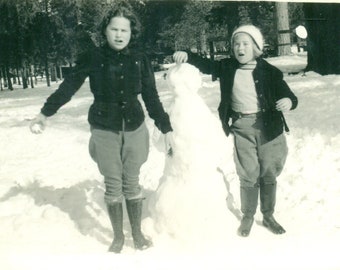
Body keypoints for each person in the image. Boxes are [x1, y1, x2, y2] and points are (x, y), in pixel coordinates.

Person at [30, 5, 172, 252]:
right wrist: (45, 113)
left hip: (134, 126)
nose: (119, 35)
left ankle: (137, 235)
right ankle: (118, 237)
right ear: (105, 31)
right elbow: (68, 87)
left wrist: (166, 127)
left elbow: (151, 97)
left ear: (131, 33)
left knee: (132, 181)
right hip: (104, 128)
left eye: (124, 30)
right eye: (114, 29)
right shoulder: (92, 57)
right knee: (113, 182)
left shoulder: (140, 58)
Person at [173, 24, 298, 237]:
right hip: (241, 127)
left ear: (256, 47)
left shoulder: (269, 71)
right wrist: (188, 54)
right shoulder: (228, 67)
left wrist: (288, 101)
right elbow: (206, 65)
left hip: (269, 128)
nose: (240, 48)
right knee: (248, 172)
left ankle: (268, 215)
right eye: (236, 44)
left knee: (268, 171)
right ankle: (248, 215)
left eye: (246, 44)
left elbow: (288, 95)